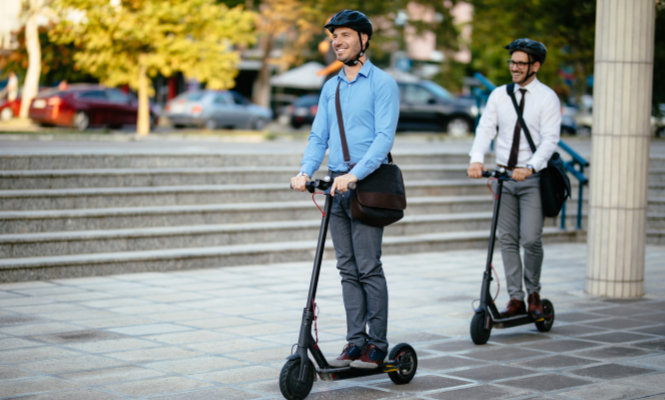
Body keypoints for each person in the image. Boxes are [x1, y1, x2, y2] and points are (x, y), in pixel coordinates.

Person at [290, 10, 400, 369]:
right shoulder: (331, 86)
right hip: (337, 186)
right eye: (334, 36)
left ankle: (377, 343)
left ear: (364, 40)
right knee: (347, 268)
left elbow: (383, 139)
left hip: (367, 185)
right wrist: (306, 170)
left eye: (345, 36)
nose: (337, 42)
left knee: (368, 267)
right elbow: (318, 135)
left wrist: (354, 174)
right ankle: (355, 341)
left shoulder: (382, 84)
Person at [467, 38, 561, 321]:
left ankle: (534, 293)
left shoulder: (547, 97)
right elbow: (486, 129)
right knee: (507, 239)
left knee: (531, 239)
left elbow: (550, 140)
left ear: (535, 65)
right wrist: (476, 158)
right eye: (512, 62)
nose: (515, 68)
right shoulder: (499, 95)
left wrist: (531, 167)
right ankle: (515, 298)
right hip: (503, 178)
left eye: (521, 63)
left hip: (531, 179)